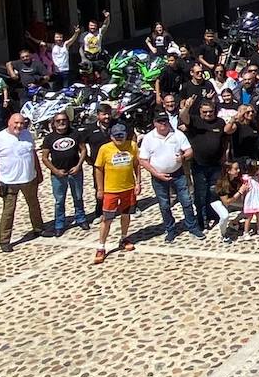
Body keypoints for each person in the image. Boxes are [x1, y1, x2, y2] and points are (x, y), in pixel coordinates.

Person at [0, 113, 50, 252]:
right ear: (9, 122)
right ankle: (4, 240)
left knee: (34, 205)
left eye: (22, 123)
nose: (19, 126)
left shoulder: (27, 135)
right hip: (9, 182)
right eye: (16, 123)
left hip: (29, 179)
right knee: (8, 212)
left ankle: (38, 228)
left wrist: (38, 172)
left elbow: (33, 154)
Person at [138, 114, 203, 242]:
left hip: (178, 173)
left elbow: (189, 150)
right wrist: (156, 174)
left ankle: (192, 227)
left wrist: (184, 157)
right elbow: (143, 160)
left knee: (186, 201)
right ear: (154, 123)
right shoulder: (149, 138)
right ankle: (170, 230)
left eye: (165, 121)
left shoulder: (177, 134)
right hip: (158, 176)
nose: (163, 124)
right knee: (164, 205)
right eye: (160, 121)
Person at [181, 98, 233, 230]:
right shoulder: (194, 121)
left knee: (213, 192)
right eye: (205, 112)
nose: (208, 114)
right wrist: (187, 107)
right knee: (200, 193)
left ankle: (213, 215)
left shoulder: (220, 122)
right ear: (200, 111)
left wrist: (224, 157)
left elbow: (225, 139)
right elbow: (183, 117)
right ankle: (201, 220)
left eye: (210, 111)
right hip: (199, 165)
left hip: (215, 164)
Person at [92, 124, 139, 264]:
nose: (119, 138)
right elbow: (98, 169)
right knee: (107, 219)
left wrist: (138, 183)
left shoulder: (132, 146)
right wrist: (100, 189)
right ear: (111, 136)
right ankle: (101, 246)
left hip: (128, 188)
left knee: (126, 214)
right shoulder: (105, 149)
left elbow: (136, 164)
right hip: (111, 190)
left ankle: (124, 238)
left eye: (121, 135)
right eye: (116, 135)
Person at [39, 111, 87, 235]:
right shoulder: (49, 138)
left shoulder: (75, 134)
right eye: (58, 121)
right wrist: (55, 171)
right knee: (59, 200)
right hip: (58, 175)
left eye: (64, 120)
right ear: (54, 123)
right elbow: (44, 157)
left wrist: (78, 166)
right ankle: (59, 223)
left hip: (75, 171)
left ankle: (81, 218)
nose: (61, 123)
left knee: (78, 197)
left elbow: (83, 150)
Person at [237, 158, 259, 239]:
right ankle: (246, 232)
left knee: (258, 215)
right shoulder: (248, 180)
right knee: (249, 217)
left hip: (257, 200)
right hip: (250, 201)